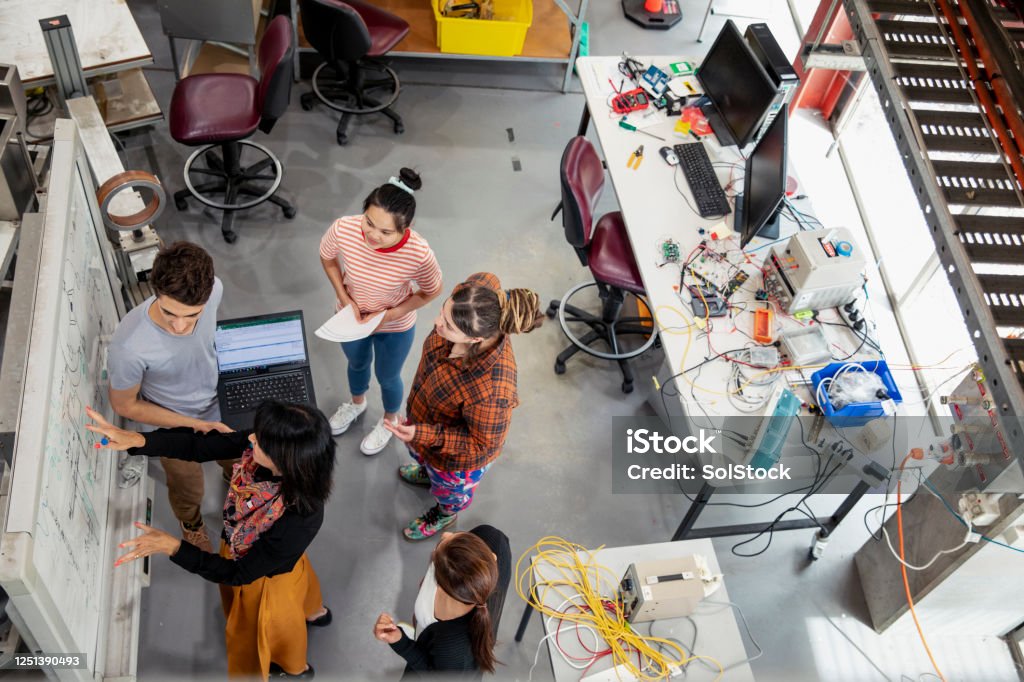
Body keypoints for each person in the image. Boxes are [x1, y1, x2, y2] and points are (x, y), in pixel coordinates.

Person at [86, 400, 336, 681]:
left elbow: (237, 573)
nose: (250, 438)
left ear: (285, 460)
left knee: (270, 628)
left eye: (261, 441)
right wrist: (138, 440)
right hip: (262, 554)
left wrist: (173, 547)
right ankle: (314, 613)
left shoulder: (300, 518)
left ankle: (295, 669)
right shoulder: (265, 452)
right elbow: (197, 447)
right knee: (299, 593)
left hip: (264, 583)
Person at [384, 273, 543, 540]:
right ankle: (426, 469)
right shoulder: (476, 295)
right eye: (442, 311)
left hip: (455, 460)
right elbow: (488, 278)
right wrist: (420, 436)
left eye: (447, 324)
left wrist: (422, 434)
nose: (436, 322)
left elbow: (481, 444)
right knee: (423, 457)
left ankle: (445, 514)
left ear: (474, 340)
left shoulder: (493, 390)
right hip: (426, 419)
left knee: (448, 491)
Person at [107, 241, 234, 551]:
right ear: (156, 292)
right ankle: (191, 525)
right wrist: (191, 423)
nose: (179, 326)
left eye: (192, 316)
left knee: (239, 462)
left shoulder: (213, 289)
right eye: (169, 313)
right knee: (187, 488)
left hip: (220, 406)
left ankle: (238, 493)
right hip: (174, 425)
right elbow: (124, 404)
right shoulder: (129, 346)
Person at [319, 168, 443, 456]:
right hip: (351, 319)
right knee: (356, 364)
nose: (373, 235)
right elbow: (327, 257)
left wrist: (391, 314)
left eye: (385, 232)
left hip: (393, 327)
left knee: (388, 377)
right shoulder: (344, 228)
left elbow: (431, 290)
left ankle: (390, 419)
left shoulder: (418, 253)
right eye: (369, 222)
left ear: (405, 229)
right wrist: (343, 296)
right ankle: (357, 403)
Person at [374, 526, 511, 677]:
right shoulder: (489, 538)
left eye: (437, 550)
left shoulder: (451, 649)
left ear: (440, 585)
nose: (446, 533)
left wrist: (401, 643)